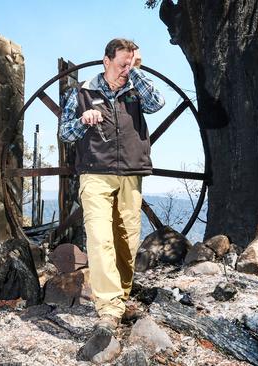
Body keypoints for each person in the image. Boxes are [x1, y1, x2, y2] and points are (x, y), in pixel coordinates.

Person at [59, 38, 165, 332]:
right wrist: (83, 120)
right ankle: (108, 308)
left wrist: (137, 70)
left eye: (129, 65)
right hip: (95, 174)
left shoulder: (135, 88)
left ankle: (121, 296)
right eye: (121, 65)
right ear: (106, 61)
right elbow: (66, 133)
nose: (124, 71)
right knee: (100, 238)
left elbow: (157, 103)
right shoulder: (82, 92)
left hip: (131, 173)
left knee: (127, 241)